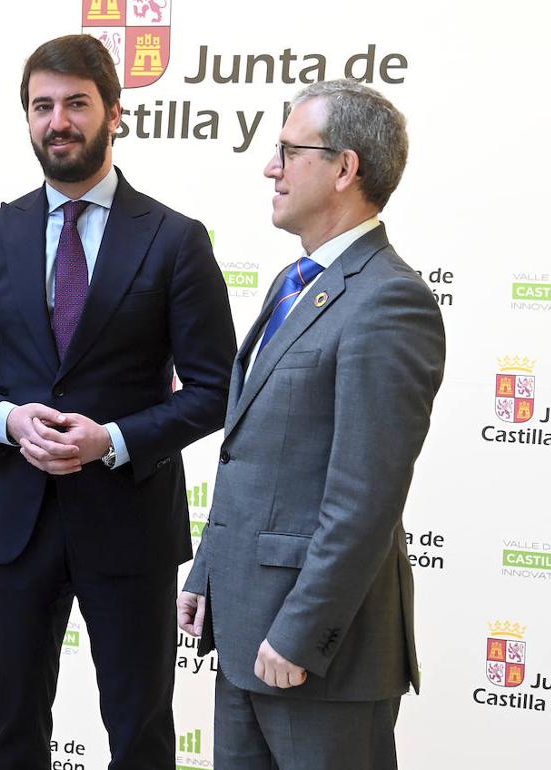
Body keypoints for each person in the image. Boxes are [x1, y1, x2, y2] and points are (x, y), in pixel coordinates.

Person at [0, 34, 236, 770]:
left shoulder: (174, 239)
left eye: (75, 103)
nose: (57, 121)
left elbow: (216, 389)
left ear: (114, 113)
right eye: (42, 106)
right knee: (12, 731)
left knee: (139, 733)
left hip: (128, 522)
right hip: (16, 525)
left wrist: (115, 439)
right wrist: (7, 419)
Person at [177, 79, 446, 769]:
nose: (271, 167)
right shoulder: (293, 283)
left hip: (315, 658)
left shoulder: (391, 303)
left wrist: (302, 632)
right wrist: (209, 573)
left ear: (345, 168)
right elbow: (253, 455)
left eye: (289, 151)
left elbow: (365, 498)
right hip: (243, 637)